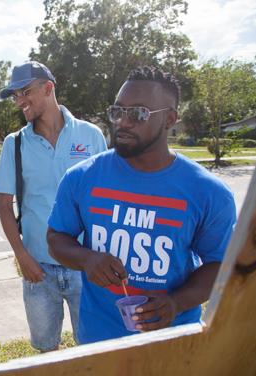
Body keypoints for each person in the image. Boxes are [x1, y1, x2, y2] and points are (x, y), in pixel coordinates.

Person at [47, 66, 237, 344]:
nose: (123, 122)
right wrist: (87, 258)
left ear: (170, 119)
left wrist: (175, 303)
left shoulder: (208, 191)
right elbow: (56, 239)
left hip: (171, 342)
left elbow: (220, 264)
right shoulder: (82, 177)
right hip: (98, 339)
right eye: (118, 111)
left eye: (138, 114)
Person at [0, 61, 107, 351]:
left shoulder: (91, 135)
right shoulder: (14, 144)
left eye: (24, 92)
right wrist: (22, 256)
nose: (19, 102)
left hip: (86, 264)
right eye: (14, 96)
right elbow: (5, 205)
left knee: (93, 348)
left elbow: (107, 198)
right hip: (38, 269)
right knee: (45, 351)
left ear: (48, 88)